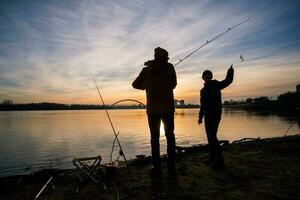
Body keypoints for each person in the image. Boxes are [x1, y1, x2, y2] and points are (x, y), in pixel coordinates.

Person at [132, 47, 177, 176]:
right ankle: (171, 168)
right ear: (165, 58)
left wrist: (146, 87)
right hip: (168, 108)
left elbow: (135, 84)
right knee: (170, 137)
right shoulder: (170, 68)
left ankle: (157, 169)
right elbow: (174, 84)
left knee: (154, 139)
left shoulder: (146, 70)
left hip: (152, 110)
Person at [198, 65, 234, 169]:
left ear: (211, 76)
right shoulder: (202, 91)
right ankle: (212, 157)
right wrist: (200, 117)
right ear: (203, 77)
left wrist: (230, 72)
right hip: (207, 116)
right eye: (206, 75)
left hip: (216, 114)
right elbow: (202, 105)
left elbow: (228, 81)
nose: (207, 77)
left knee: (213, 137)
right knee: (210, 138)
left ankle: (220, 162)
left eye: (209, 75)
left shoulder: (216, 84)